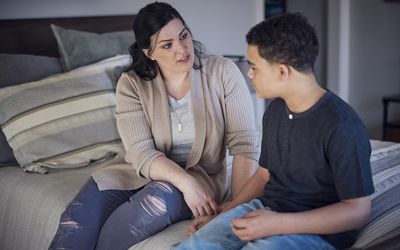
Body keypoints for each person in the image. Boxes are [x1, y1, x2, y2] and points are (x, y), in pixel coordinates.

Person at [49, 2, 259, 250]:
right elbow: (140, 152)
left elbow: (244, 145)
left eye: (184, 36)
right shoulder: (131, 84)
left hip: (202, 176)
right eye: (167, 45)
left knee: (144, 210)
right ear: (149, 52)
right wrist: (186, 183)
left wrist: (233, 209)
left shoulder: (223, 72)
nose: (182, 49)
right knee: (75, 223)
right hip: (135, 171)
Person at [172, 12, 374, 250]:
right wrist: (229, 208)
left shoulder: (342, 125)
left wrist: (278, 224)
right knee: (195, 245)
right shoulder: (275, 110)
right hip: (269, 209)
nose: (249, 74)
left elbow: (358, 211)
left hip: (318, 232)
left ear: (282, 72)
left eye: (254, 67)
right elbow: (264, 175)